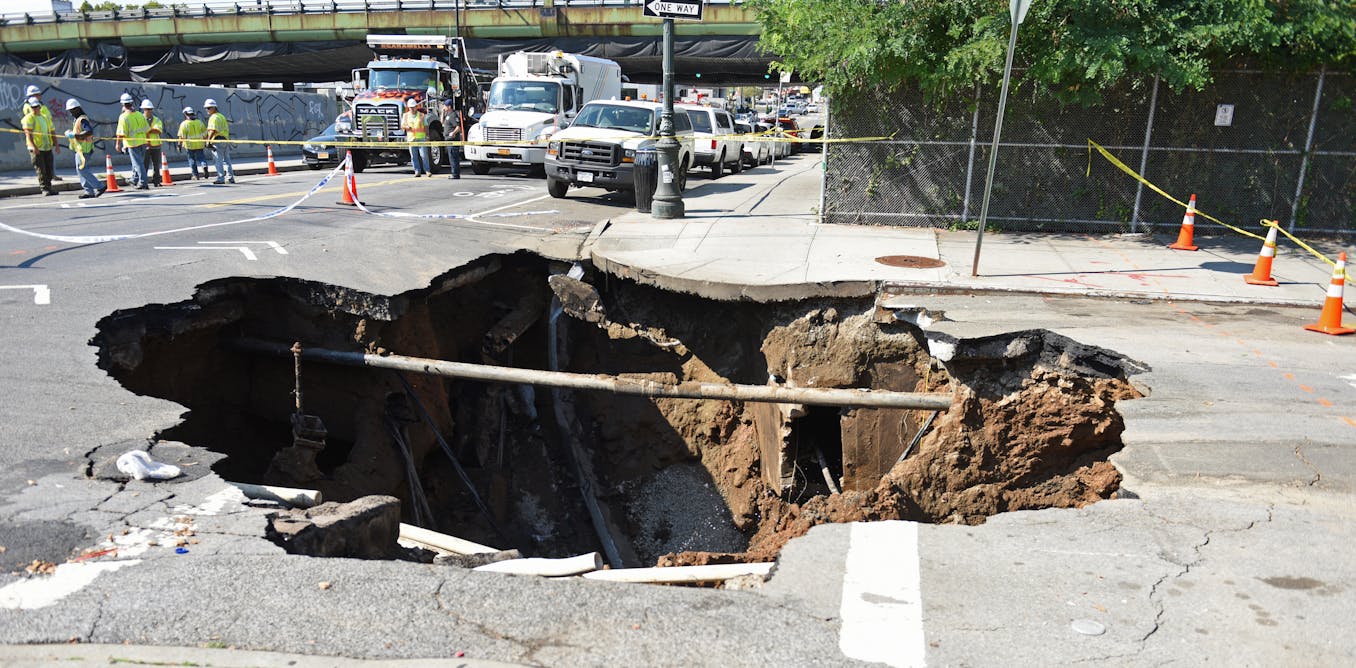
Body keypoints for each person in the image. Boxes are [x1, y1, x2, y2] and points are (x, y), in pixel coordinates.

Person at [63, 98, 103, 199]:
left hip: (84, 149)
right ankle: (88, 191)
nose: (71, 113)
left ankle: (100, 186)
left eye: (71, 111)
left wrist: (74, 136)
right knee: (80, 170)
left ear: (77, 109)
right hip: (80, 149)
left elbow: (89, 131)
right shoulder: (78, 120)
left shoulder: (82, 119)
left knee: (82, 170)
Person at [21, 84, 62, 181]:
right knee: (41, 166)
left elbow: (46, 117)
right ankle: (46, 184)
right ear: (32, 95)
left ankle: (52, 176)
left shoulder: (41, 105)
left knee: (49, 162)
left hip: (46, 137)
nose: (40, 96)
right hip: (38, 140)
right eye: (38, 94)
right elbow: (31, 121)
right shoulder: (28, 106)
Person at [21, 97, 58, 196]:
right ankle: (44, 189)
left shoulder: (45, 117)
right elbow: (28, 134)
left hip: (47, 147)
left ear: (40, 107)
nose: (35, 109)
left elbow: (52, 131)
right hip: (36, 148)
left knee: (49, 169)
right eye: (33, 107)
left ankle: (49, 188)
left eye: (36, 107)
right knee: (41, 170)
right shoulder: (28, 118)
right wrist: (34, 147)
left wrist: (56, 145)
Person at [114, 92, 150, 190]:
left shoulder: (124, 117)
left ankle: (143, 182)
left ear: (123, 104)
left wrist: (117, 144)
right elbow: (147, 129)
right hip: (142, 142)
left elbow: (121, 133)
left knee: (138, 164)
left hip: (133, 144)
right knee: (138, 163)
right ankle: (134, 179)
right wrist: (147, 141)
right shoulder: (139, 114)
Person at [204, 99, 235, 184]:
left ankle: (221, 178)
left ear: (214, 108)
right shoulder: (221, 116)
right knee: (227, 160)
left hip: (217, 140)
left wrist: (208, 141)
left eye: (209, 108)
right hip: (224, 140)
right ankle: (230, 178)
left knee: (218, 160)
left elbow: (212, 130)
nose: (207, 110)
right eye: (206, 108)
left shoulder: (213, 117)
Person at [177, 107, 209, 180]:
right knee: (201, 158)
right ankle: (204, 166)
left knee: (192, 160)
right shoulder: (199, 122)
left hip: (189, 145)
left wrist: (179, 145)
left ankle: (195, 175)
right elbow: (205, 134)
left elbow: (181, 136)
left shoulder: (184, 124)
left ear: (185, 114)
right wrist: (206, 142)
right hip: (200, 144)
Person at [402, 97, 431, 177]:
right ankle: (417, 171)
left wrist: (427, 135)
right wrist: (407, 127)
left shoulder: (421, 115)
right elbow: (402, 125)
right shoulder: (405, 116)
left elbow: (425, 126)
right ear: (409, 108)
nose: (413, 109)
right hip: (411, 139)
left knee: (424, 156)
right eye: (411, 107)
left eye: (414, 107)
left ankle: (427, 171)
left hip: (421, 138)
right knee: (414, 157)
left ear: (416, 107)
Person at [140, 100, 165, 187]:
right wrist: (151, 130)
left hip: (156, 145)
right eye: (147, 109)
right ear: (143, 109)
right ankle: (144, 182)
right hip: (145, 145)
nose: (149, 111)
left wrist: (148, 130)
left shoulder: (157, 120)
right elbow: (140, 131)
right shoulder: (140, 119)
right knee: (144, 165)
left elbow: (158, 130)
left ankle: (156, 181)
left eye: (150, 109)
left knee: (156, 165)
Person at [441, 94, 463, 180]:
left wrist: (453, 133)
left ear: (449, 106)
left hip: (453, 140)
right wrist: (443, 113)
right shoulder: (447, 115)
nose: (444, 107)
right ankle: (454, 173)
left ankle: (455, 174)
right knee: (451, 157)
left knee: (454, 158)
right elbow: (442, 122)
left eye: (445, 106)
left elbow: (458, 127)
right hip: (448, 140)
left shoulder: (453, 115)